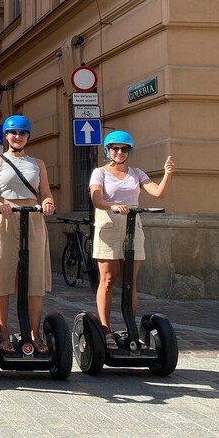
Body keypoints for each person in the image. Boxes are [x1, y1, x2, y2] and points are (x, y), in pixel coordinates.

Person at [89, 130, 174, 349]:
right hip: (108, 223)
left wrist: (167, 174)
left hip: (132, 223)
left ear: (129, 151)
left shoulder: (136, 173)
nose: (119, 152)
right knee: (107, 280)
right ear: (108, 150)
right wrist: (112, 206)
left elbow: (158, 193)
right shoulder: (100, 172)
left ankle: (130, 328)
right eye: (115, 148)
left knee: (130, 281)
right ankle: (106, 330)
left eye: (123, 148)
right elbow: (96, 199)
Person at [0, 115, 55, 354]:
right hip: (5, 219)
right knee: (1, 276)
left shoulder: (38, 163)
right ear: (6, 135)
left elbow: (45, 193)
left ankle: (34, 335)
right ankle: (2, 335)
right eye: (13, 133)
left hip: (32, 220)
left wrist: (48, 203)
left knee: (34, 278)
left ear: (28, 136)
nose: (17, 137)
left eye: (22, 133)